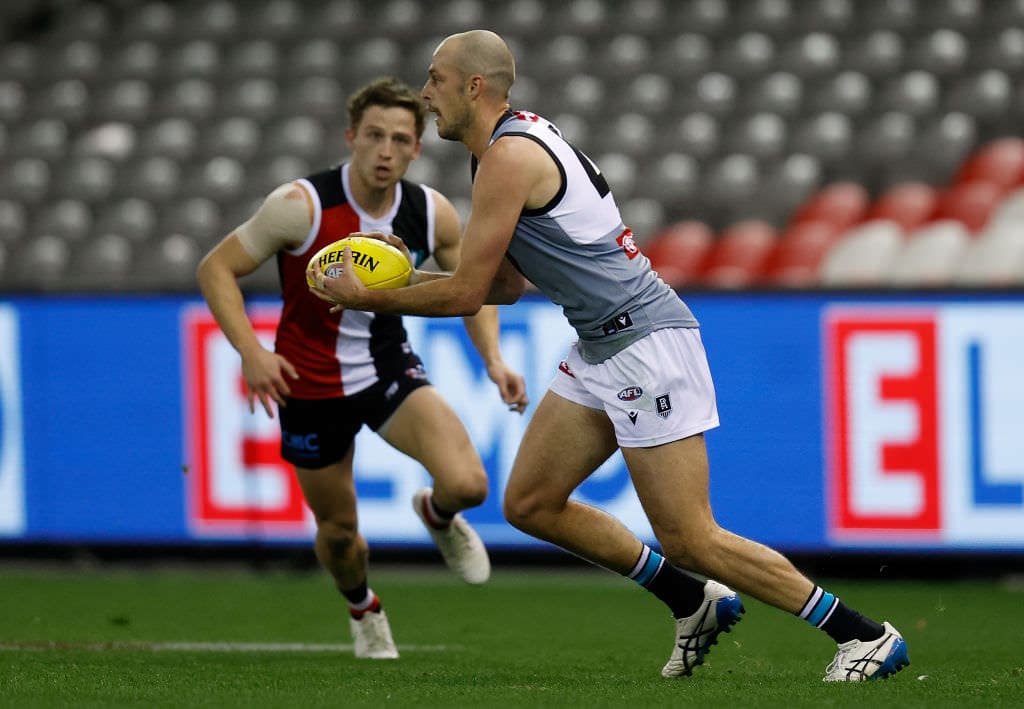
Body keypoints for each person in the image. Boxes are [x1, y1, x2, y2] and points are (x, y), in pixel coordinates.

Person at [309, 31, 910, 682]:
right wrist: (384, 284)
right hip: (601, 341)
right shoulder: (497, 153)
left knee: (689, 536)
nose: (426, 94)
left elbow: (468, 293)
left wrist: (372, 294)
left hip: (644, 342)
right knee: (532, 502)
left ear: (473, 86)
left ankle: (863, 634)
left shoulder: (509, 157)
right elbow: (506, 285)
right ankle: (691, 601)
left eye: (435, 79)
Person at [197, 76, 528, 661]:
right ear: (351, 137)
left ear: (417, 148)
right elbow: (216, 269)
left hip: (385, 369)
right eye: (374, 136)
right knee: (342, 533)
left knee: (468, 484)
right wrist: (250, 350)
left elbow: (469, 289)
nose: (386, 150)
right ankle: (362, 608)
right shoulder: (299, 206)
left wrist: (494, 360)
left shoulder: (430, 213)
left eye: (401, 139)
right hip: (309, 384)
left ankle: (435, 513)